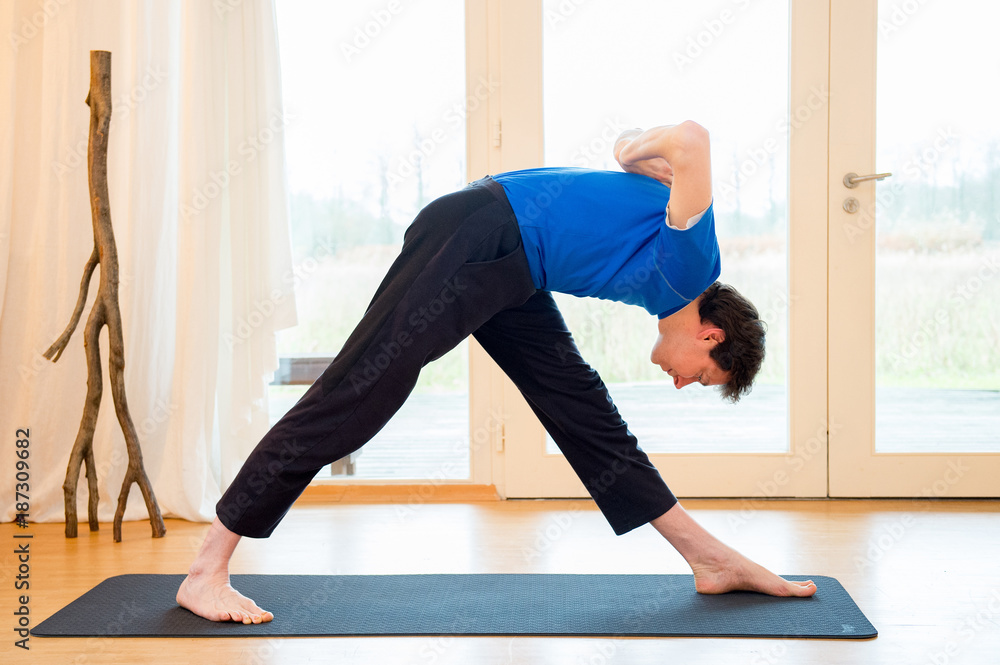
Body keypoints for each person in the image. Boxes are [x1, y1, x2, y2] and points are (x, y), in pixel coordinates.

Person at [176, 121, 817, 624]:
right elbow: (693, 138)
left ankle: (708, 558)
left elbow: (638, 151)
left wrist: (633, 154)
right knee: (362, 390)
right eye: (702, 376)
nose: (682, 382)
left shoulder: (669, 267)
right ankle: (206, 571)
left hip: (513, 262)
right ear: (712, 334)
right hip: (481, 236)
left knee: (583, 410)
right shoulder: (690, 268)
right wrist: (642, 150)